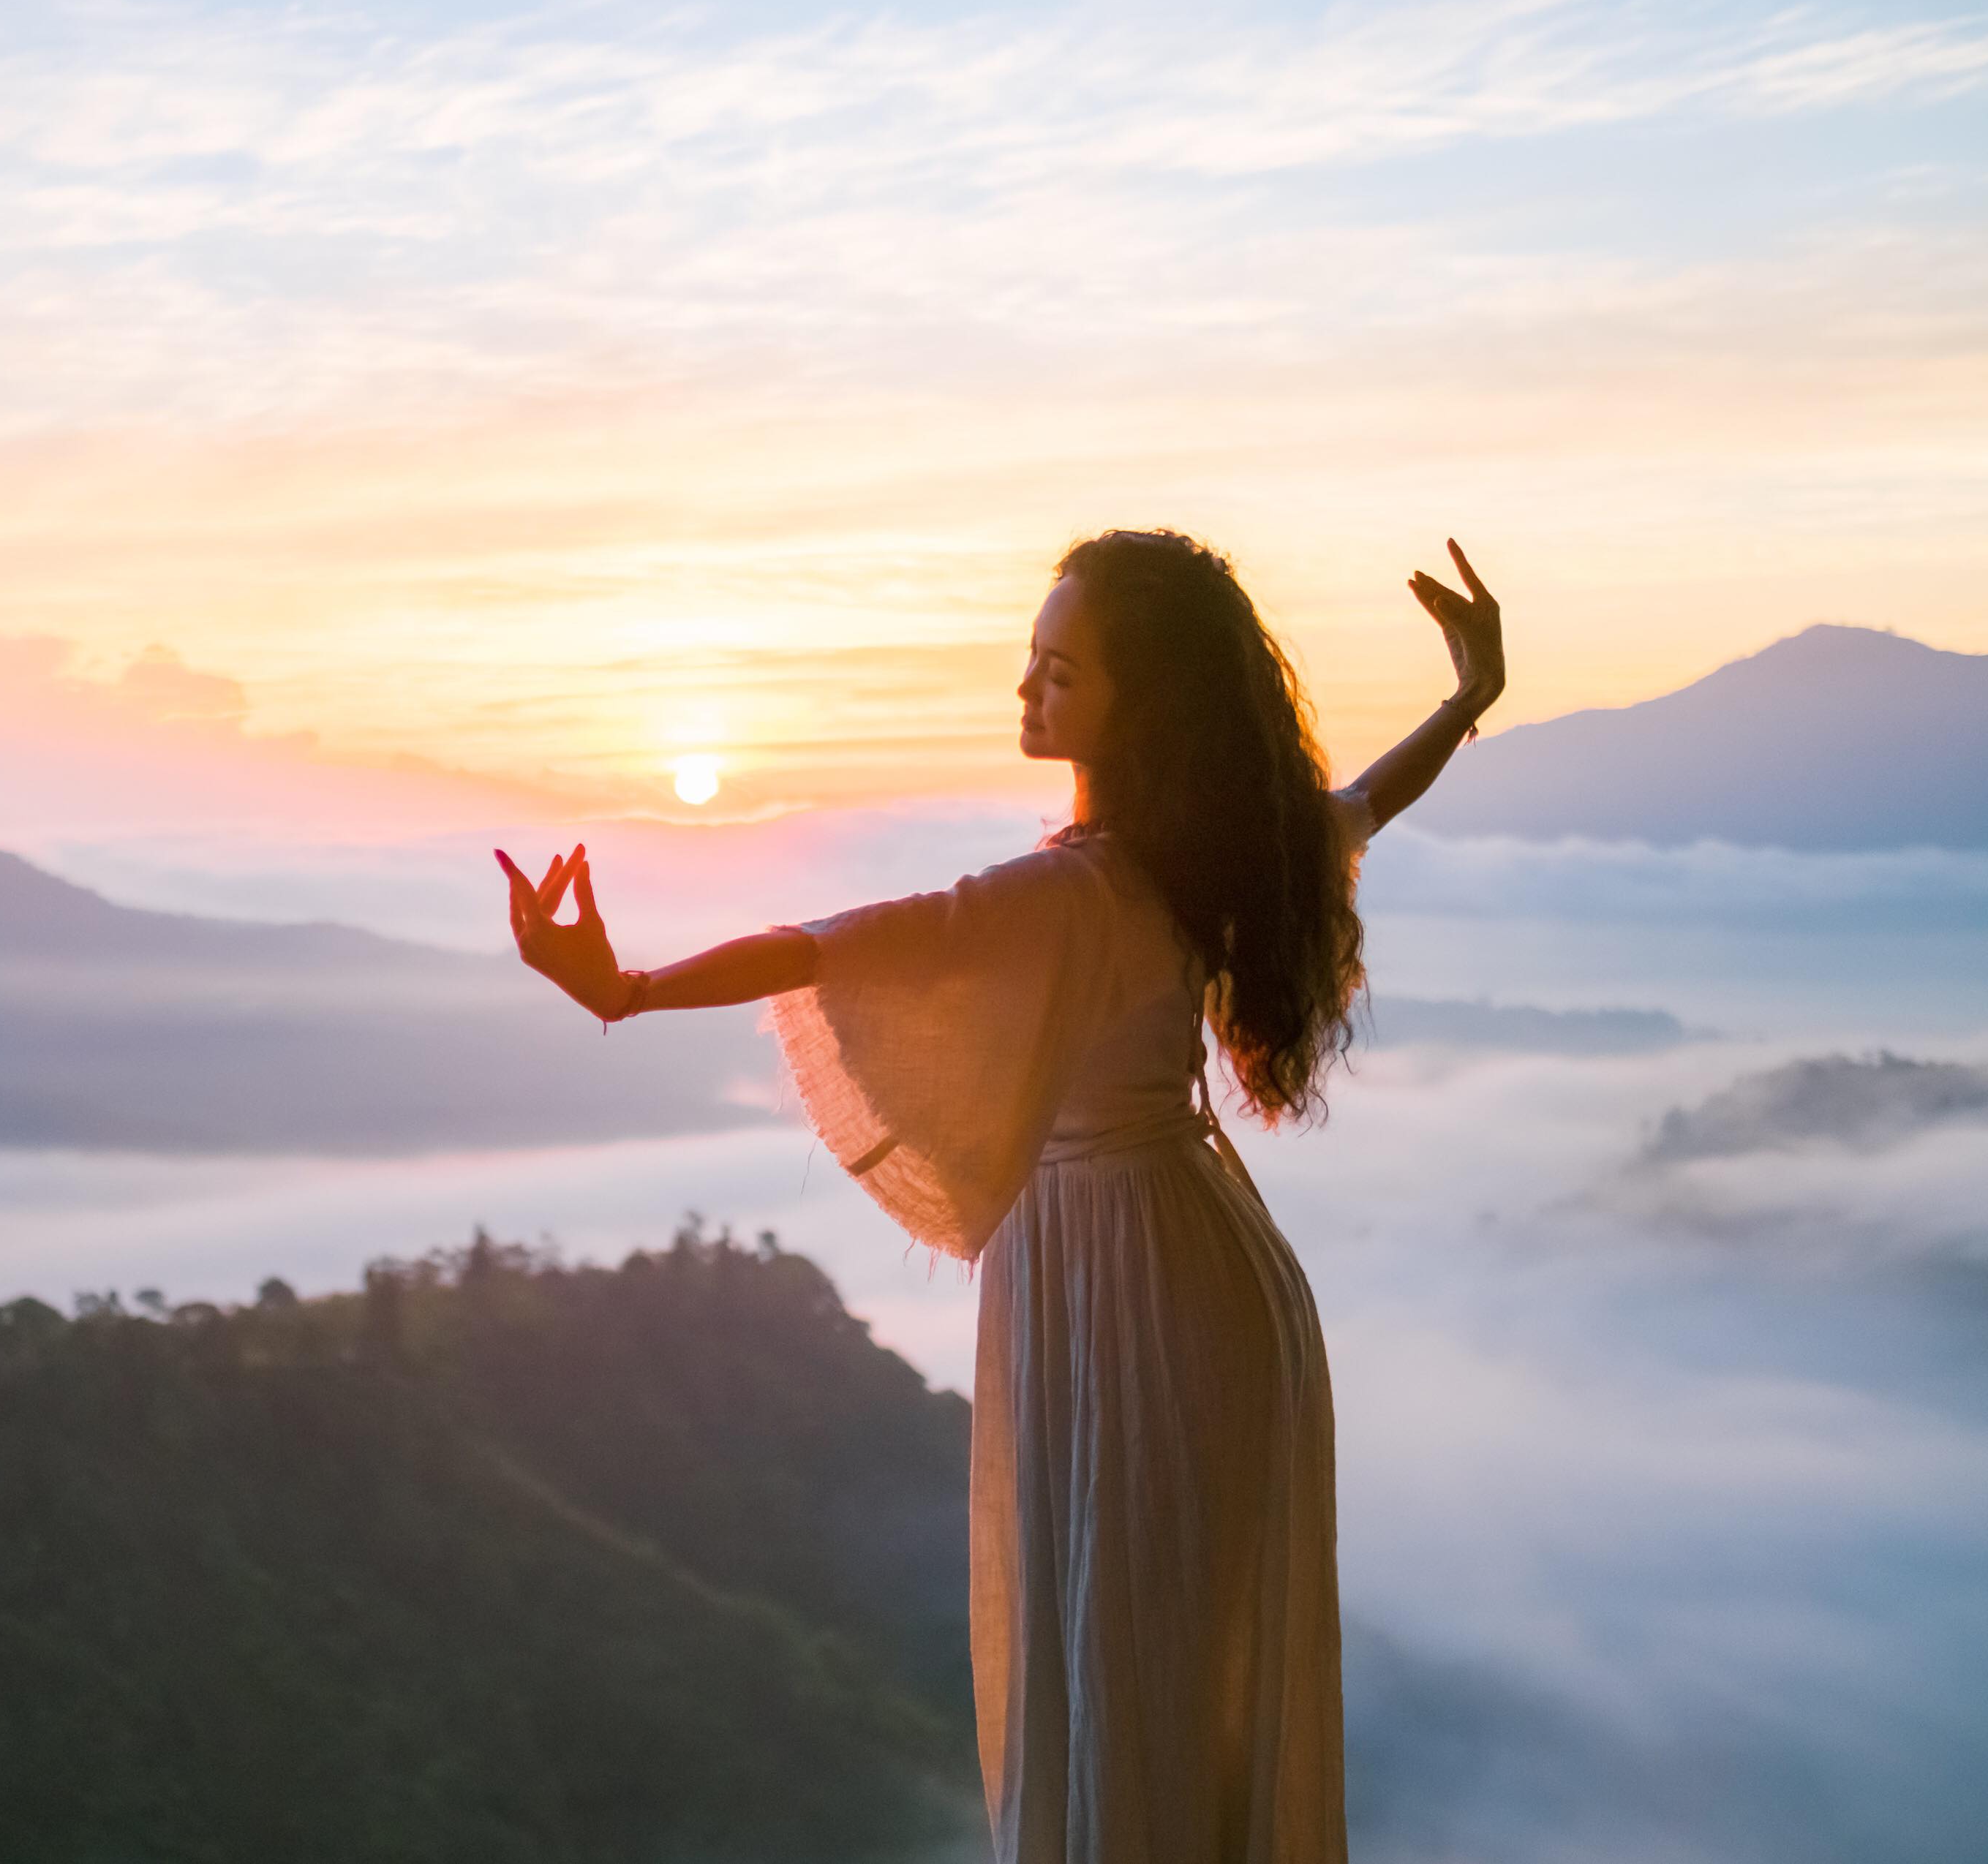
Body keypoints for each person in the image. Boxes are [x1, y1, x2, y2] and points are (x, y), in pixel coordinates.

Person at [497, 530, 1504, 1864]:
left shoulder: (1077, 887)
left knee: (1116, 1655)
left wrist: (627, 988)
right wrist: (1467, 700)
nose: (1026, 689)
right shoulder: (1210, 857)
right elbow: (1363, 804)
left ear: (1143, 703)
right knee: (1158, 1662)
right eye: (1030, 661)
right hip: (1191, 1270)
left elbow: (836, 944)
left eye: (1061, 670)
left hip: (1129, 1284)